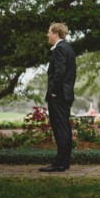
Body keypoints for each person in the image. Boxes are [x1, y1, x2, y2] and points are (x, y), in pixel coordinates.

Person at [39, 22, 77, 173]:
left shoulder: (60, 48)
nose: (48, 35)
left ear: (55, 33)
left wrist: (53, 90)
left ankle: (59, 163)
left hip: (59, 95)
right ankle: (63, 162)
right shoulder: (68, 48)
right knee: (64, 128)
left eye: (49, 32)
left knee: (60, 128)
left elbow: (59, 72)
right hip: (65, 95)